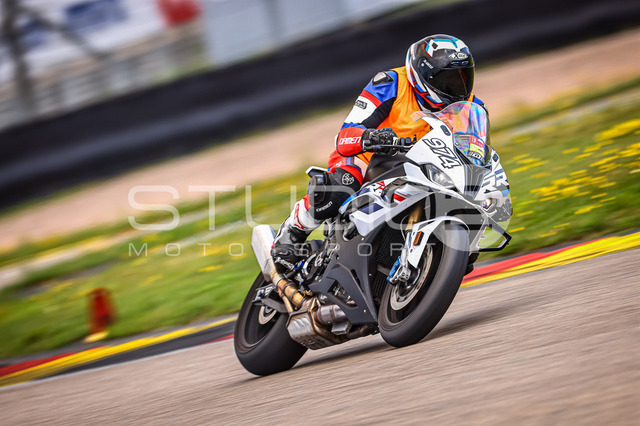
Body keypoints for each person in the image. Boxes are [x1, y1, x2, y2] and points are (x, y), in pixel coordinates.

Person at [271, 34, 485, 272]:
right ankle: (291, 233)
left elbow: (475, 154)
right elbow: (345, 135)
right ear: (423, 75)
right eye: (448, 79)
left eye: (463, 77)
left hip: (423, 166)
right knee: (343, 185)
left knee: (468, 198)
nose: (457, 87)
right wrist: (372, 137)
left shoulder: (471, 107)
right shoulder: (390, 83)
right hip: (368, 156)